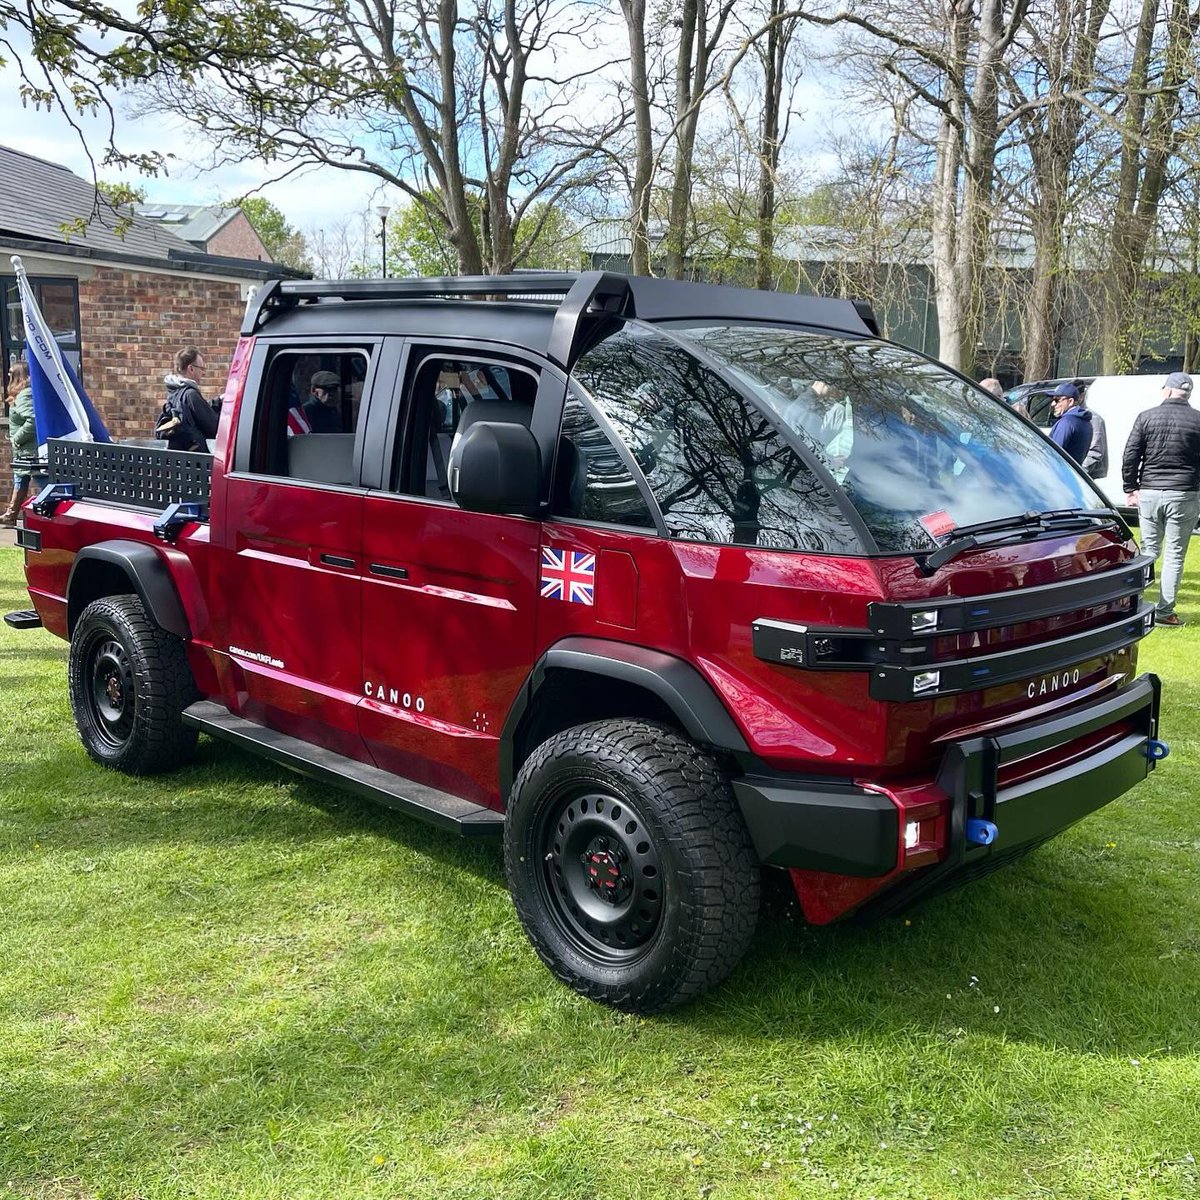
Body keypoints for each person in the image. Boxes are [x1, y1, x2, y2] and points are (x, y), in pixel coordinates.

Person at [1122, 371, 1200, 627]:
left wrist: (1130, 487)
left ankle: (1134, 605)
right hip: (1184, 492)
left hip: (1151, 491)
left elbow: (1131, 454)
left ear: (1166, 391)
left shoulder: (1146, 417)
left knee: (1148, 551)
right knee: (1175, 555)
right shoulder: (1198, 420)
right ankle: (1166, 612)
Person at [161, 347, 219, 452]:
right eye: (201, 368)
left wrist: (218, 401)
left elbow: (199, 412)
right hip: (197, 460)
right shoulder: (191, 394)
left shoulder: (174, 392)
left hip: (182, 458)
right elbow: (214, 427)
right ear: (191, 369)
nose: (203, 373)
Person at [1, 361, 35, 526]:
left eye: (10, 372)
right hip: (24, 451)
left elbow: (33, 421)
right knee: (20, 479)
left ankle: (53, 517)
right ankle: (11, 514)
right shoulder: (23, 393)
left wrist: (16, 439)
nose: (8, 375)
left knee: (45, 484)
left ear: (18, 375)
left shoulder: (25, 394)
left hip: (30, 452)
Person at [1048, 381, 1093, 465]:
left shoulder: (1066, 423)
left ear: (1070, 401)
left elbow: (1053, 455)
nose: (1053, 404)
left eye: (1057, 400)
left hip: (1058, 473)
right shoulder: (1086, 422)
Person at [1078, 383, 1109, 480]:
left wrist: (1079, 471)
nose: (1054, 404)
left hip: (1087, 476)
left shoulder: (1093, 419)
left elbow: (1095, 451)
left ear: (1081, 396)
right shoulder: (1067, 417)